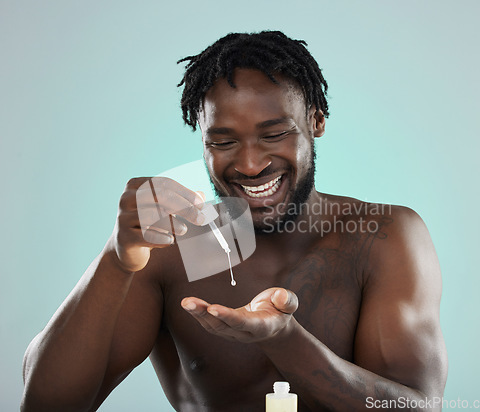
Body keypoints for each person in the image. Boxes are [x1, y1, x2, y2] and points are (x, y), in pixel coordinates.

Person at [21, 31, 447, 411]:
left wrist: (285, 341)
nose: (250, 163)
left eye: (274, 134)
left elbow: (418, 407)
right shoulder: (171, 246)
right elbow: (44, 405)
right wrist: (116, 260)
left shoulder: (384, 236)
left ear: (316, 121)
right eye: (223, 141)